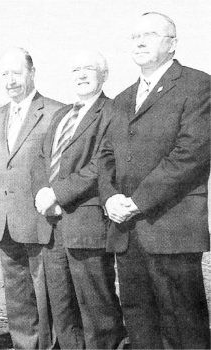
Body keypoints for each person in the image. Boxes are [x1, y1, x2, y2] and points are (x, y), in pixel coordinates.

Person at [98, 12, 210, 349]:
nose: (140, 42)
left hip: (171, 230)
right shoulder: (121, 99)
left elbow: (191, 154)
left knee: (183, 328)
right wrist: (110, 198)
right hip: (128, 233)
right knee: (140, 322)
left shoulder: (198, 85)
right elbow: (105, 156)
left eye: (150, 34)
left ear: (172, 44)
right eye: (135, 37)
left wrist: (137, 201)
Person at [31, 51, 125, 349]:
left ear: (104, 75)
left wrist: (58, 194)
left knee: (97, 311)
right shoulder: (61, 115)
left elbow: (102, 164)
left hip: (86, 226)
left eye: (89, 69)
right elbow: (42, 158)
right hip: (53, 226)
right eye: (75, 69)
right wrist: (43, 194)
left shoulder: (113, 112)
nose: (81, 75)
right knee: (63, 309)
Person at [0, 47, 64, 349]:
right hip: (6, 223)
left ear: (32, 72)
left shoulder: (56, 111)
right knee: (17, 299)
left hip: (41, 222)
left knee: (47, 297)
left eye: (17, 72)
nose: (11, 80)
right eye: (4, 73)